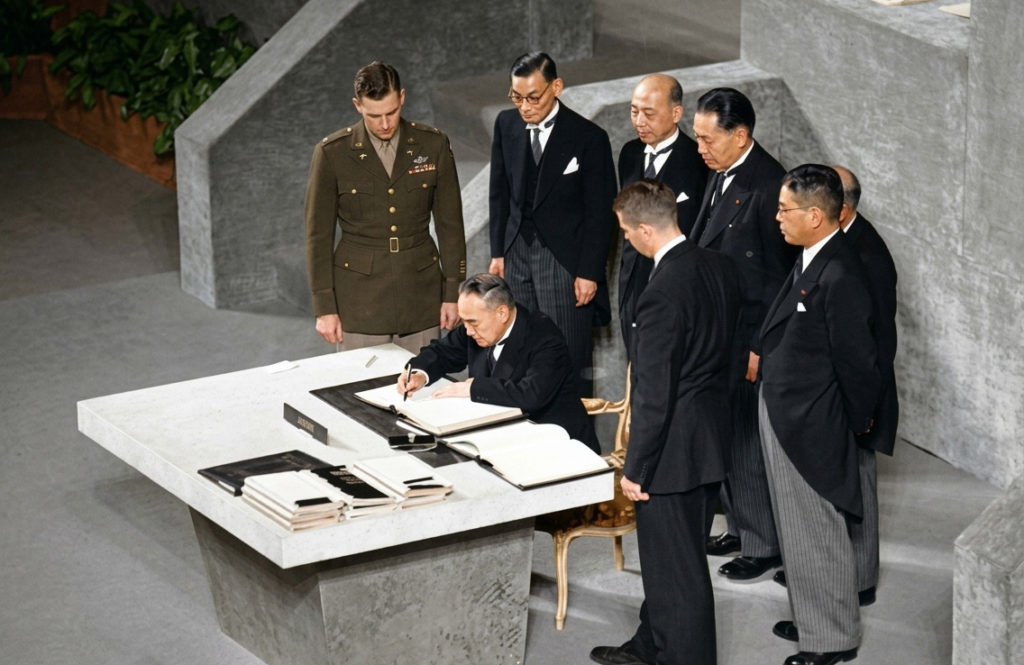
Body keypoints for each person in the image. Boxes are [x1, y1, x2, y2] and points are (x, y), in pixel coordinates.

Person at [590, 180, 739, 665]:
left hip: (671, 455)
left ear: (646, 229)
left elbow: (654, 395)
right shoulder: (717, 266)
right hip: (710, 439)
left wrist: (636, 468)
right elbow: (732, 354)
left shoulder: (660, 295)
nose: (625, 240)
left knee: (679, 575)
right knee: (675, 562)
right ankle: (649, 645)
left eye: (626, 232)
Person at [758, 164, 879, 665]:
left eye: (784, 209)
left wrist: (855, 423)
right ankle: (815, 617)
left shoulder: (841, 272)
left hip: (812, 419)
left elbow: (858, 363)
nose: (777, 217)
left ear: (814, 215)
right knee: (798, 527)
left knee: (817, 530)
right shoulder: (813, 256)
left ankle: (832, 639)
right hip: (789, 410)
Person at [774, 166, 899, 606]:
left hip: (853, 396)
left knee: (854, 492)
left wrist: (860, 411)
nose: (780, 216)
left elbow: (872, 342)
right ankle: (834, 580)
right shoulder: (826, 248)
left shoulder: (862, 257)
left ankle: (857, 582)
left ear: (835, 209)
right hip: (837, 392)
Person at [690, 87, 797, 580]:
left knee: (746, 442)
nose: (700, 149)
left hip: (748, 340)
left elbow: (780, 281)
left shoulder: (769, 185)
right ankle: (738, 525)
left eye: (707, 139)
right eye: (697, 138)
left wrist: (758, 346)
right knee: (726, 435)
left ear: (740, 135)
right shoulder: (721, 171)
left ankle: (762, 543)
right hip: (721, 333)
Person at [304, 61, 467, 353]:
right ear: (357, 106)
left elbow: (450, 226)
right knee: (360, 381)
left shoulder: (433, 145)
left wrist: (453, 292)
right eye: (374, 115)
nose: (385, 124)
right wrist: (324, 307)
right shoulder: (332, 153)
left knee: (421, 378)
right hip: (359, 300)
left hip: (420, 295)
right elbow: (318, 236)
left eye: (391, 112)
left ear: (402, 98)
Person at [488, 51, 617, 396]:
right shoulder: (506, 124)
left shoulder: (588, 137)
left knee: (567, 354)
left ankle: (573, 426)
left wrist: (589, 272)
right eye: (516, 97)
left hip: (564, 263)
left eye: (533, 97)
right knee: (519, 352)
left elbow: (600, 213)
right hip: (516, 254)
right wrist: (498, 252)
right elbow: (499, 194)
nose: (524, 107)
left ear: (556, 87)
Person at [398, 273, 598, 451]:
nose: (467, 331)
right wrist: (419, 373)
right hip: (501, 437)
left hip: (556, 443)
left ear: (502, 313)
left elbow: (531, 394)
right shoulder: (475, 326)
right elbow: (442, 351)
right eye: (464, 322)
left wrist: (472, 389)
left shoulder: (545, 338)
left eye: (472, 323)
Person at [617, 74, 709, 361]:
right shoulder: (629, 154)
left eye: (649, 113)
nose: (639, 121)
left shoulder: (699, 160)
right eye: (634, 111)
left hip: (676, 285)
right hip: (632, 281)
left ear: (676, 113)